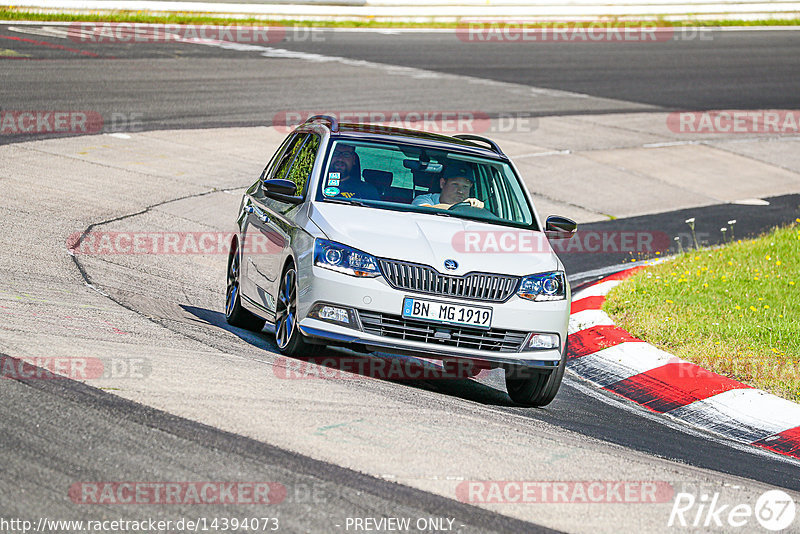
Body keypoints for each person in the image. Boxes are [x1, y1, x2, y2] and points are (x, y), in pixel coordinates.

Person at [412, 162, 484, 209]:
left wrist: (477, 207)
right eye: (455, 184)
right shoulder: (424, 199)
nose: (460, 191)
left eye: (465, 187)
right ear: (442, 183)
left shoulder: (471, 206)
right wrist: (463, 207)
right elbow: (427, 210)